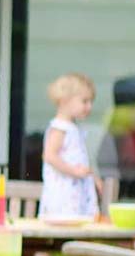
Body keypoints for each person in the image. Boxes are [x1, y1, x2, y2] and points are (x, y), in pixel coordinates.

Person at [39, 73, 102, 218]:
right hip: (63, 196)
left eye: (91, 102)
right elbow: (49, 156)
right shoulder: (60, 128)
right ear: (64, 101)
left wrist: (92, 177)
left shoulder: (72, 128)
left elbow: (78, 159)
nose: (89, 107)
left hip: (75, 193)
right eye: (84, 101)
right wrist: (73, 170)